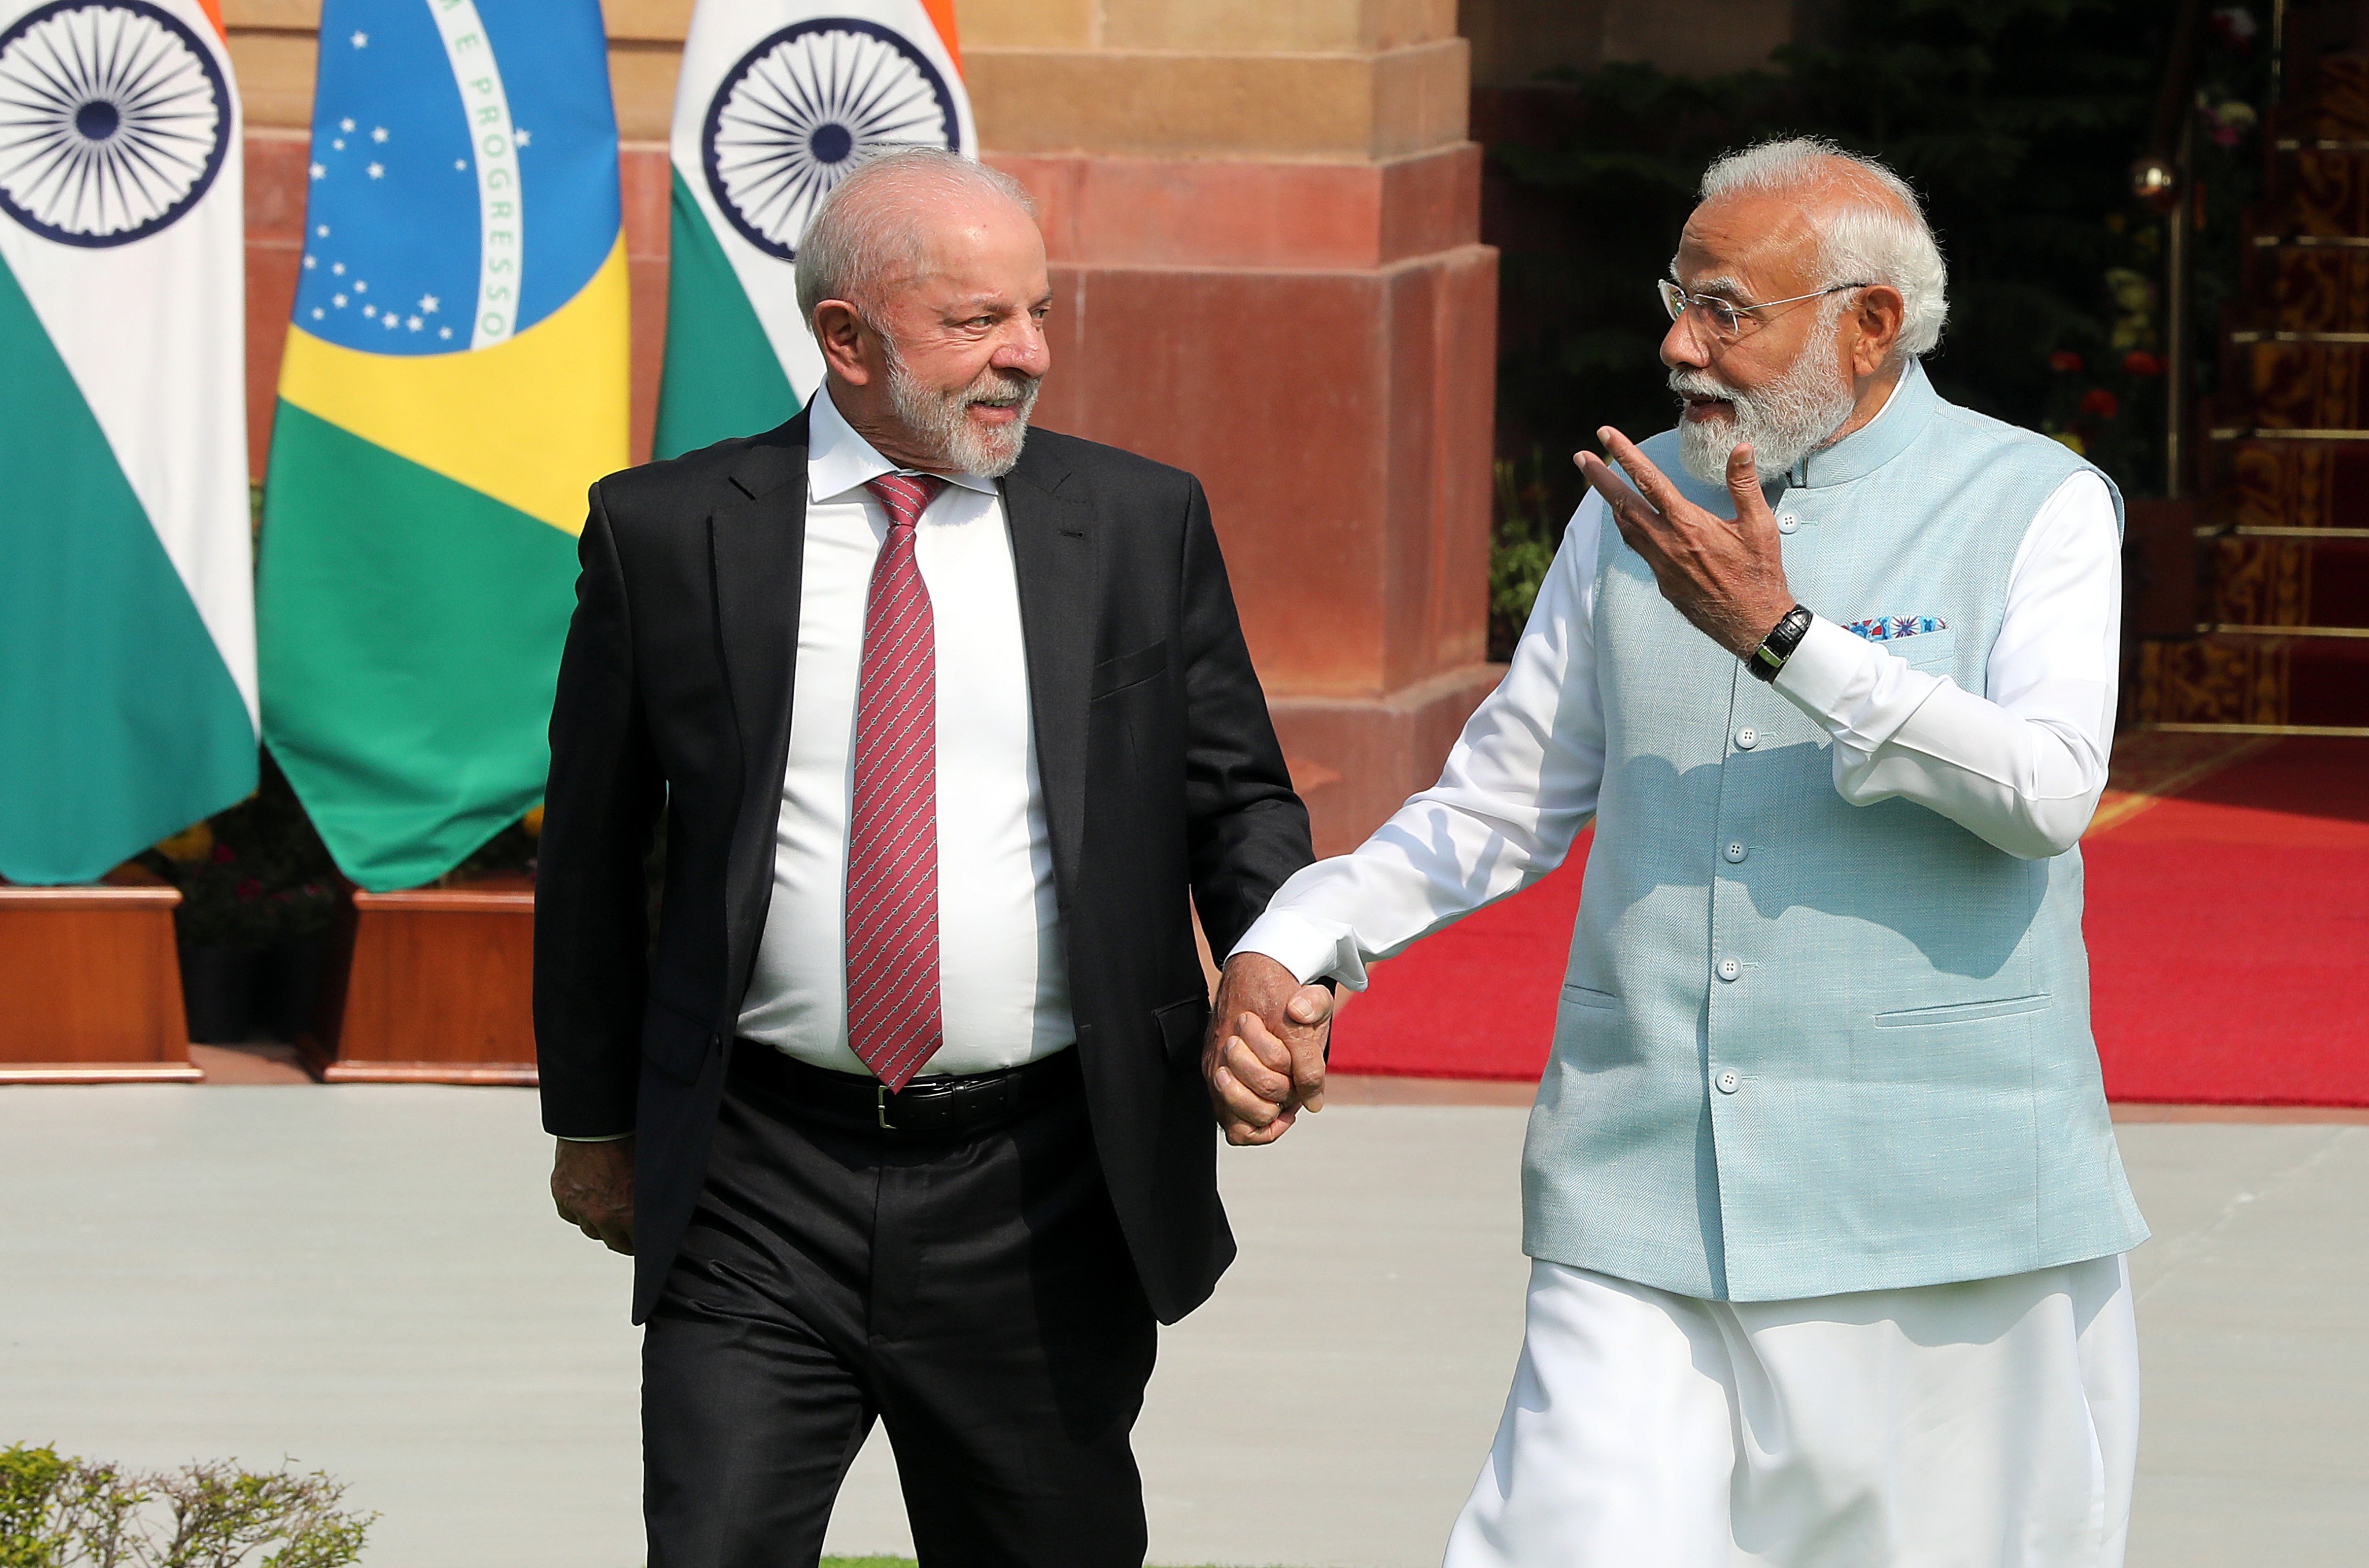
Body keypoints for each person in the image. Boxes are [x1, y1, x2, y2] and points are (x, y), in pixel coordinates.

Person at [1207, 136, 2150, 1566]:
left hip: (1940, 1209)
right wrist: (1296, 932)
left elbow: (2043, 792)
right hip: (1635, 1188)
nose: (1675, 344)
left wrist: (1787, 642)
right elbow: (1498, 803)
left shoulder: (2035, 504)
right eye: (1677, 297)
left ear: (1868, 323)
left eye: (1724, 311)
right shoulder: (1630, 503)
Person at [533, 147, 1329, 1568]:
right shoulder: (665, 534)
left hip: (1042, 1179)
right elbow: (593, 857)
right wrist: (591, 1123)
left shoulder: (1137, 522)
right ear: (845, 340)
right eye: (976, 323)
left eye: (1035, 314)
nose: (1025, 357)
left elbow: (1238, 803)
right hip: (752, 1175)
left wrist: (1276, 968)